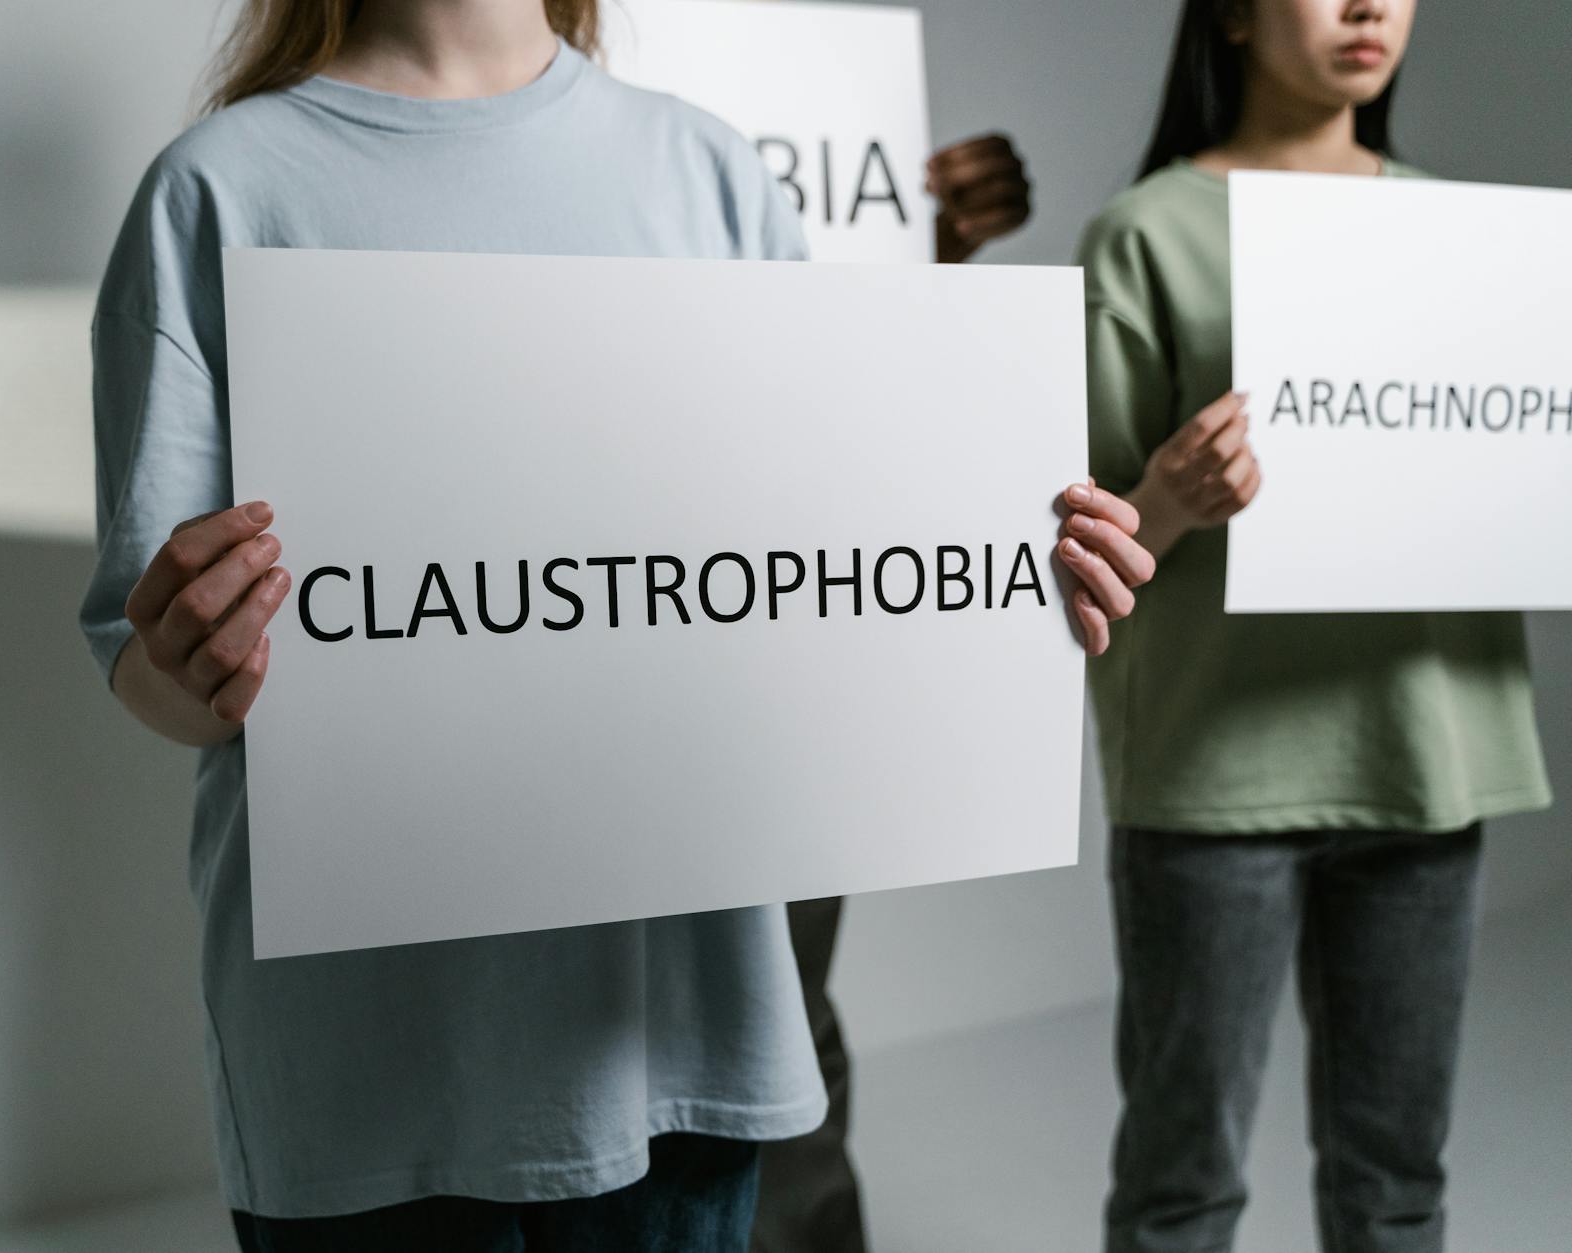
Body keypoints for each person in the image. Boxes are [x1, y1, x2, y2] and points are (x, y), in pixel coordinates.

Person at [81, 0, 1153, 1247]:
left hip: (679, 1036)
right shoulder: (218, 187)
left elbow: (804, 563)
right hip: (366, 1067)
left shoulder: (705, 168)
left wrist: (1011, 575)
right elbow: (146, 661)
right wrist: (188, 663)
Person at [1078, 2, 1552, 1250]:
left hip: (1422, 754)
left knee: (1395, 1185)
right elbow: (1079, 557)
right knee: (1180, 1186)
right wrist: (1166, 497)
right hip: (1209, 773)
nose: (1366, 6)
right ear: (1231, 13)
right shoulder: (1146, 233)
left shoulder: (1480, 243)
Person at [751, 131, 1035, 1253]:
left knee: (777, 1008)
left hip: (769, 623)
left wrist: (919, 256)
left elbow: (802, 368)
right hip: (583, 621)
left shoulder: (718, 143)